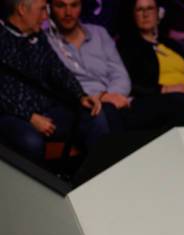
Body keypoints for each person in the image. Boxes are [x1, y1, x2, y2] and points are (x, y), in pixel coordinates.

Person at [46, 0, 184, 132]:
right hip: (84, 104)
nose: (68, 12)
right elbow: (58, 84)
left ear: (81, 6)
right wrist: (101, 97)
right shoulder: (46, 41)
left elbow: (120, 75)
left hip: (118, 99)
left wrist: (112, 95)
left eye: (74, 5)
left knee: (179, 101)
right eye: (60, 6)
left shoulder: (99, 33)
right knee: (107, 113)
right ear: (49, 8)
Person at [0, 0, 107, 162]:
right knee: (31, 143)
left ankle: (95, 177)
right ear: (22, 9)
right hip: (11, 114)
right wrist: (29, 116)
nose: (45, 17)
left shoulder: (38, 36)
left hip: (46, 109)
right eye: (42, 9)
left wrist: (81, 95)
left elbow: (58, 70)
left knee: (93, 116)